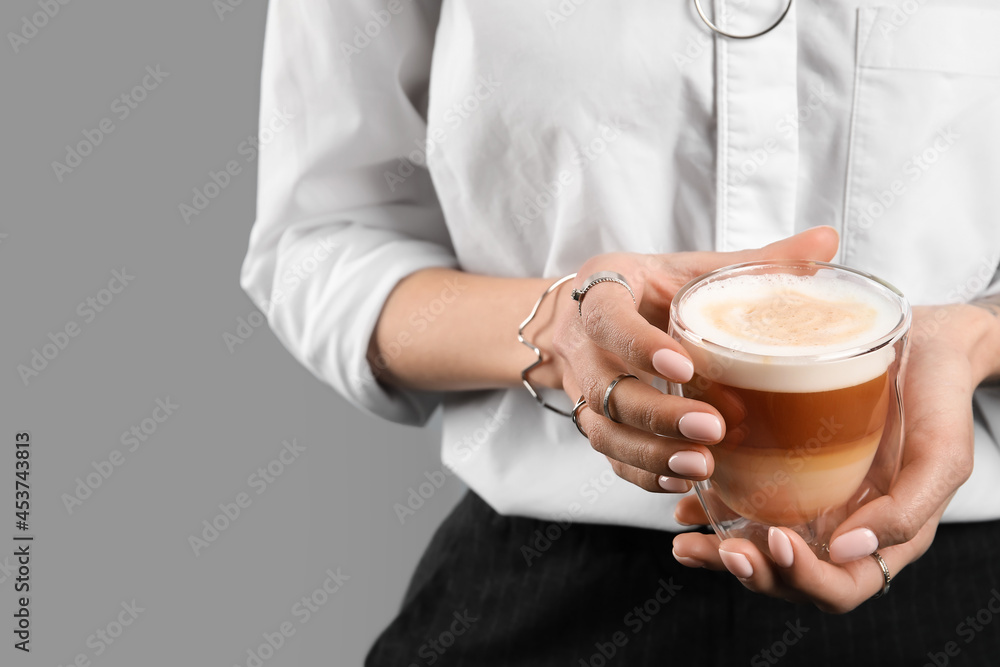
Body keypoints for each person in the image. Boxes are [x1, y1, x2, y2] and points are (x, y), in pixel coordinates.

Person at [242, 0, 1000, 664]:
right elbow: (322, 238)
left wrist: (973, 340)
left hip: (965, 587)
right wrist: (555, 328)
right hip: (545, 580)